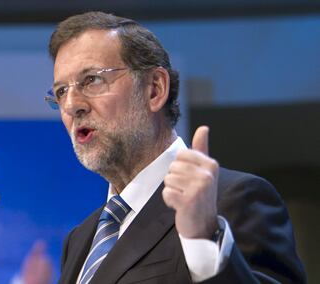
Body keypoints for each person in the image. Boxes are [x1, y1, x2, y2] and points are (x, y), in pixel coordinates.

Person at [45, 11, 306, 283]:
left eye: (92, 80)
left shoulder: (232, 199)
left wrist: (203, 241)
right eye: (61, 91)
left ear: (155, 89)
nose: (72, 105)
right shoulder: (80, 239)